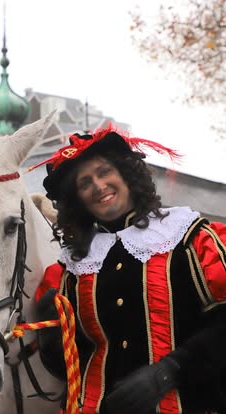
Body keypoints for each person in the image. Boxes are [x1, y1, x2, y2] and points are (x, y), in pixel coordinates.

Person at [35, 125, 226, 414]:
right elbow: (69, 369)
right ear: (77, 199)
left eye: (104, 172)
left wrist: (170, 371)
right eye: (85, 183)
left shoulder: (189, 238)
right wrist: (50, 341)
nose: (98, 186)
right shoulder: (71, 269)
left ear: (126, 173)